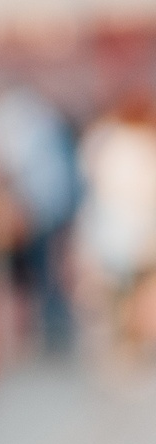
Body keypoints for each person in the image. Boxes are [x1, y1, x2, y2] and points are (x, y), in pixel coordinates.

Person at [0, 83, 80, 354]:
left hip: (27, 206)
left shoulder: (4, 120)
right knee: (44, 270)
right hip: (50, 203)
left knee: (27, 272)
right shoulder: (40, 116)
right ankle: (50, 330)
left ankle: (39, 333)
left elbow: (3, 166)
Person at [77, 92, 156, 356]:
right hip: (132, 229)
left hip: (116, 229)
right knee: (130, 289)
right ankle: (130, 340)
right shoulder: (136, 146)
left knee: (121, 290)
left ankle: (125, 340)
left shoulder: (109, 143)